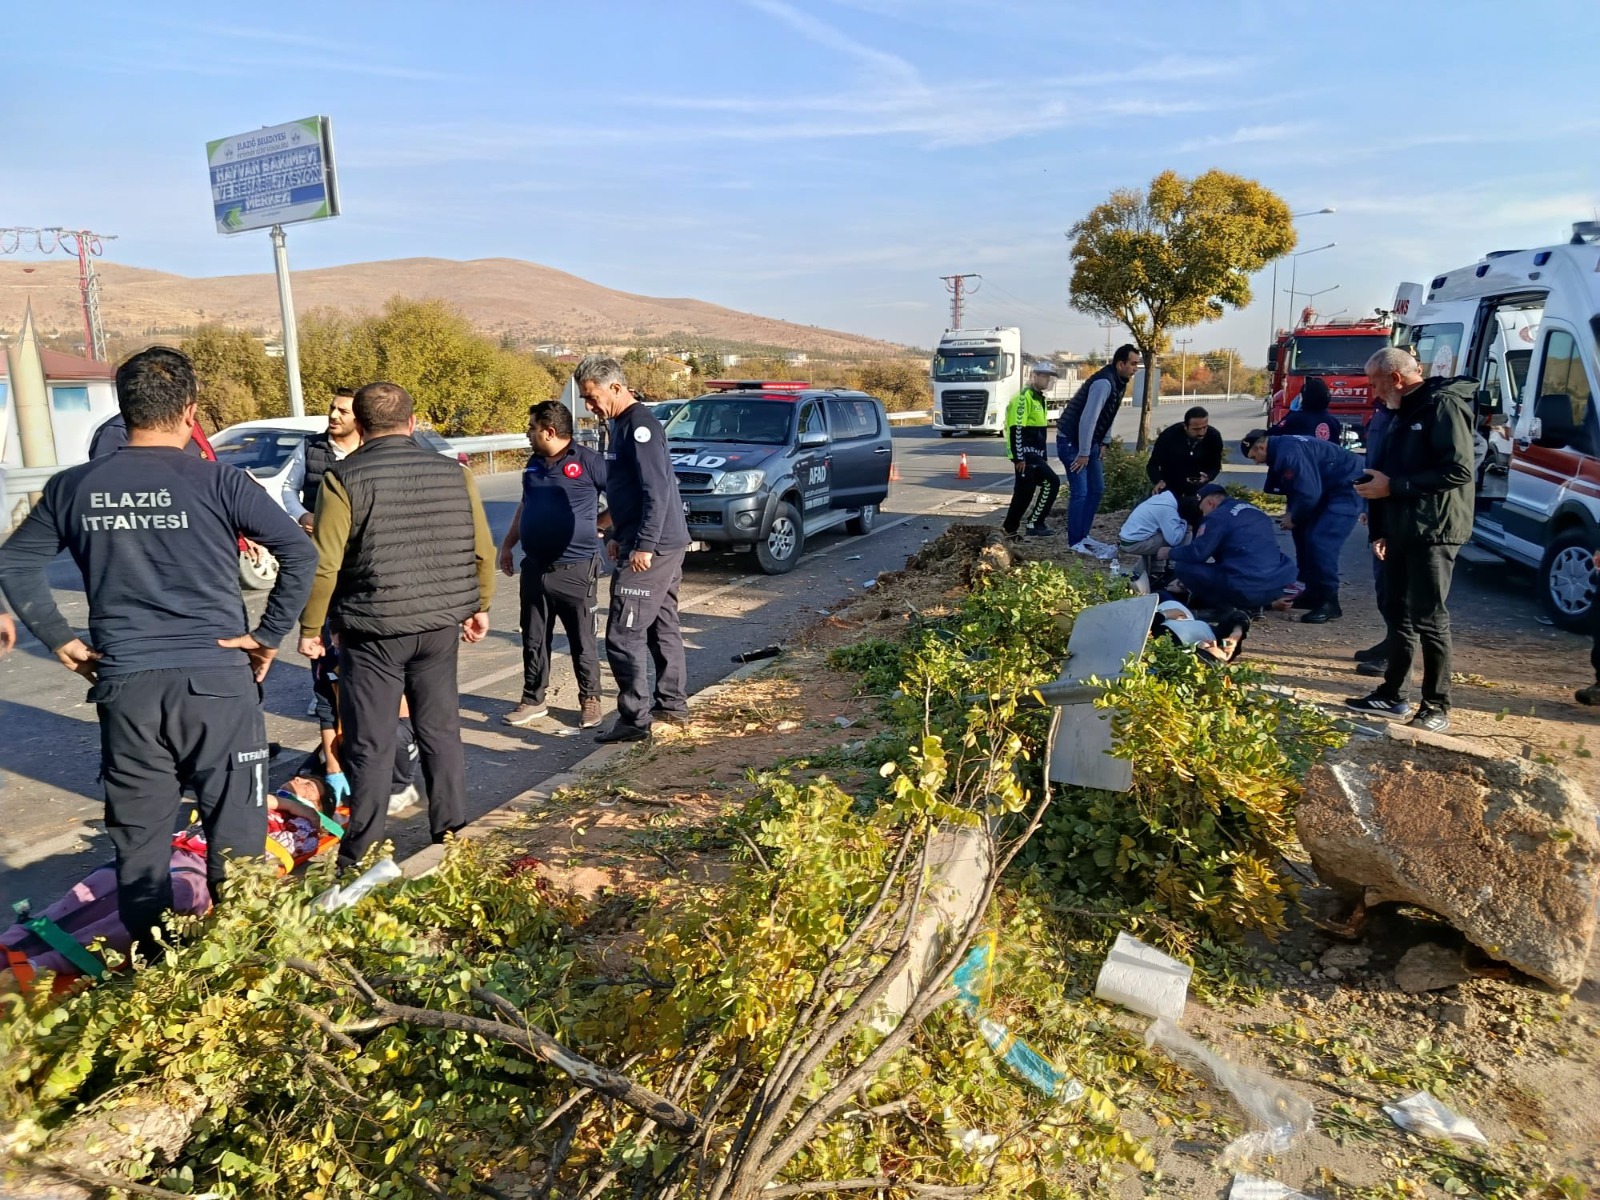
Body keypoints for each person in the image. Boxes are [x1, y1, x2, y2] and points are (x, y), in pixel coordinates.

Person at [0, 347, 316, 957]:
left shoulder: (74, 487)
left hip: (128, 686)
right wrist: (268, 634)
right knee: (237, 836)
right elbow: (299, 553)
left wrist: (61, 641)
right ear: (190, 410)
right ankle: (241, 970)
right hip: (218, 684)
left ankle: (153, 976)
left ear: (123, 411)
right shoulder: (222, 481)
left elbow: (14, 560)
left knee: (141, 847)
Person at [297, 381, 496, 870]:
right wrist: (479, 604)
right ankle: (451, 833)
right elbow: (483, 549)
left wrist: (311, 627)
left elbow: (326, 563)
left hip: (373, 631)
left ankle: (360, 851)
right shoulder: (455, 473)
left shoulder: (342, 478)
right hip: (438, 626)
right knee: (440, 728)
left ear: (360, 428)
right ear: (412, 423)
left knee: (371, 739)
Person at [1348, 348, 1475, 733]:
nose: (1371, 392)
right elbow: (1386, 472)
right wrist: (1380, 528)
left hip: (1433, 530)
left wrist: (1395, 487)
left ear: (1396, 378)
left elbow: (1459, 470)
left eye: (1374, 383)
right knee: (1395, 611)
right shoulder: (1396, 409)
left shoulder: (1442, 406)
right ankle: (1393, 694)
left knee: (1430, 618)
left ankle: (1436, 705)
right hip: (1399, 529)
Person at [575, 354, 691, 743]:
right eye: (584, 400)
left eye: (592, 397)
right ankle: (671, 705)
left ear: (616, 387)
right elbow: (627, 493)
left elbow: (655, 491)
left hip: (652, 549)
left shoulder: (639, 426)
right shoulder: (618, 426)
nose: (589, 406)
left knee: (623, 636)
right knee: (661, 626)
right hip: (650, 541)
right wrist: (613, 534)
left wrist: (642, 546)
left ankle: (634, 721)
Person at [498, 400, 609, 730]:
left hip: (576, 568)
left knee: (582, 639)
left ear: (548, 430)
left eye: (531, 428)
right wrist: (508, 544)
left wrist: (600, 526)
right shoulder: (533, 463)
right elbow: (525, 505)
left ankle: (590, 700)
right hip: (535, 568)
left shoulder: (589, 462)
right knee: (533, 638)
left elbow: (623, 497)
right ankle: (533, 700)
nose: (528, 434)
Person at [1242, 429, 1364, 624]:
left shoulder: (1288, 453)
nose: (1257, 462)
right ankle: (1312, 592)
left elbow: (1308, 494)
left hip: (1347, 488)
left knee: (1321, 542)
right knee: (1303, 534)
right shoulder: (1281, 448)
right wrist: (1292, 514)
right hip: (1328, 488)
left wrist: (1295, 517)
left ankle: (1329, 601)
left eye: (1255, 457)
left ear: (1262, 446)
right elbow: (1298, 489)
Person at [1056, 344, 1141, 554]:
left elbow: (1108, 414)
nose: (1135, 368)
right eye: (1133, 364)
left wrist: (1105, 442)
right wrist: (1084, 452)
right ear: (1120, 364)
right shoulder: (1104, 382)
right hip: (1072, 441)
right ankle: (1075, 541)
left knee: (1098, 489)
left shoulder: (1119, 381)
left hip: (1091, 442)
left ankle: (1083, 536)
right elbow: (1088, 419)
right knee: (1081, 492)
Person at [1163, 483, 1297, 613]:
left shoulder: (1217, 517)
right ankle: (1262, 604)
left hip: (1246, 586)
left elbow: (1198, 553)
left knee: (1184, 567)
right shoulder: (1254, 510)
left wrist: (1169, 552)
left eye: (1202, 509)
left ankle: (1228, 607)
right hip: (1276, 583)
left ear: (1211, 503)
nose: (1203, 515)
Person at [1353, 401, 1399, 674]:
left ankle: (1396, 653)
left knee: (1397, 594)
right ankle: (1390, 643)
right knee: (1385, 590)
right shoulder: (1384, 415)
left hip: (1403, 514)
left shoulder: (1425, 413)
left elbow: (1465, 454)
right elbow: (1373, 465)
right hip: (1381, 513)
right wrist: (1368, 507)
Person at [283, 387, 361, 533]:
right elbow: (289, 488)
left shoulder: (370, 449)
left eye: (343, 411)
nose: (333, 415)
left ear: (359, 419)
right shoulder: (310, 446)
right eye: (332, 408)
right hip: (320, 540)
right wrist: (302, 515)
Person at [1002, 362, 1061, 538]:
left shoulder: (1039, 398)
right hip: (1026, 455)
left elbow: (1039, 432)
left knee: (1026, 491)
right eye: (1044, 376)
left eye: (1049, 377)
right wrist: (1019, 457)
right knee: (1048, 483)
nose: (1047, 380)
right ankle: (1032, 523)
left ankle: (1012, 528)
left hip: (1035, 455)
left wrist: (1043, 456)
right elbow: (1016, 429)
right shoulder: (1023, 398)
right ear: (1034, 376)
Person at [1118, 488, 1198, 589]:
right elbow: (1174, 539)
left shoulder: (1160, 499)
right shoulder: (1167, 510)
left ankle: (1157, 571)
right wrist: (1185, 524)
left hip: (1128, 540)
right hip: (1134, 544)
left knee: (1167, 531)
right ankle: (1173, 571)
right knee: (1185, 534)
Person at [1145, 406, 1224, 497]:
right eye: (1196, 429)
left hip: (1198, 489)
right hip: (1170, 487)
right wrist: (1159, 481)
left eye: (1204, 427)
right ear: (1185, 426)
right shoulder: (1169, 436)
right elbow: (1152, 465)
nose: (1201, 433)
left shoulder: (1213, 436)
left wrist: (1209, 476)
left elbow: (1215, 466)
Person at [1269, 378, 1344, 443]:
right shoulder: (1334, 422)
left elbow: (1272, 435)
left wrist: (1291, 412)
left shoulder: (1294, 419)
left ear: (1303, 398)